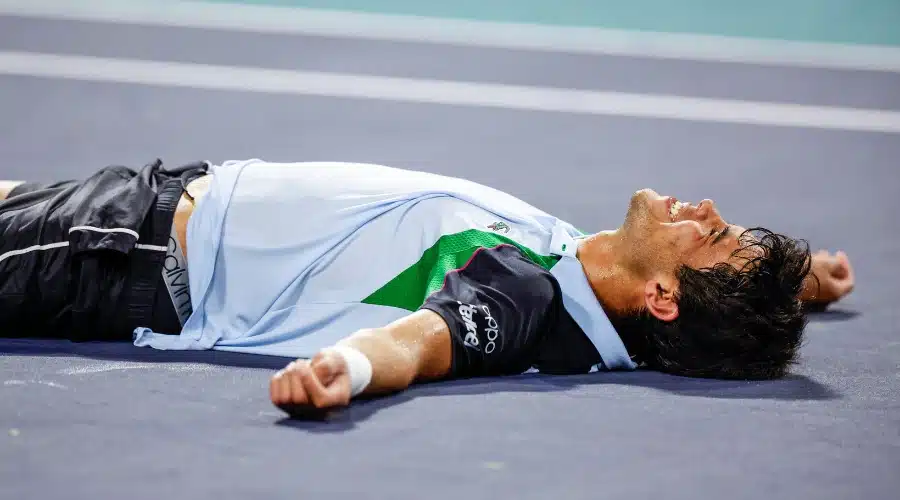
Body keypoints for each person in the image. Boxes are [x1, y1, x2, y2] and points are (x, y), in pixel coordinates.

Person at [0, 159, 854, 417]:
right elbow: (722, 296)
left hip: (127, 251)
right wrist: (794, 285)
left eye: (705, 232)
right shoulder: (589, 277)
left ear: (663, 296)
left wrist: (352, 370)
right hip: (141, 215)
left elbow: (423, 339)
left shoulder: (526, 297)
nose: (701, 207)